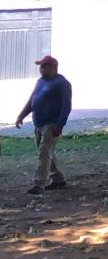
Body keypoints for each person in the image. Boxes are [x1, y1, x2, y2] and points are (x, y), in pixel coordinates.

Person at [15, 54, 72, 195]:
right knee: (46, 153)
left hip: (51, 124)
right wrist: (21, 115)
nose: (40, 69)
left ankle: (39, 184)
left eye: (43, 66)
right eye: (40, 67)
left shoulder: (62, 83)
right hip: (38, 124)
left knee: (44, 153)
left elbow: (66, 106)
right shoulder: (40, 82)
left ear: (53, 67)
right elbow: (31, 101)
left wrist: (60, 124)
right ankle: (58, 179)